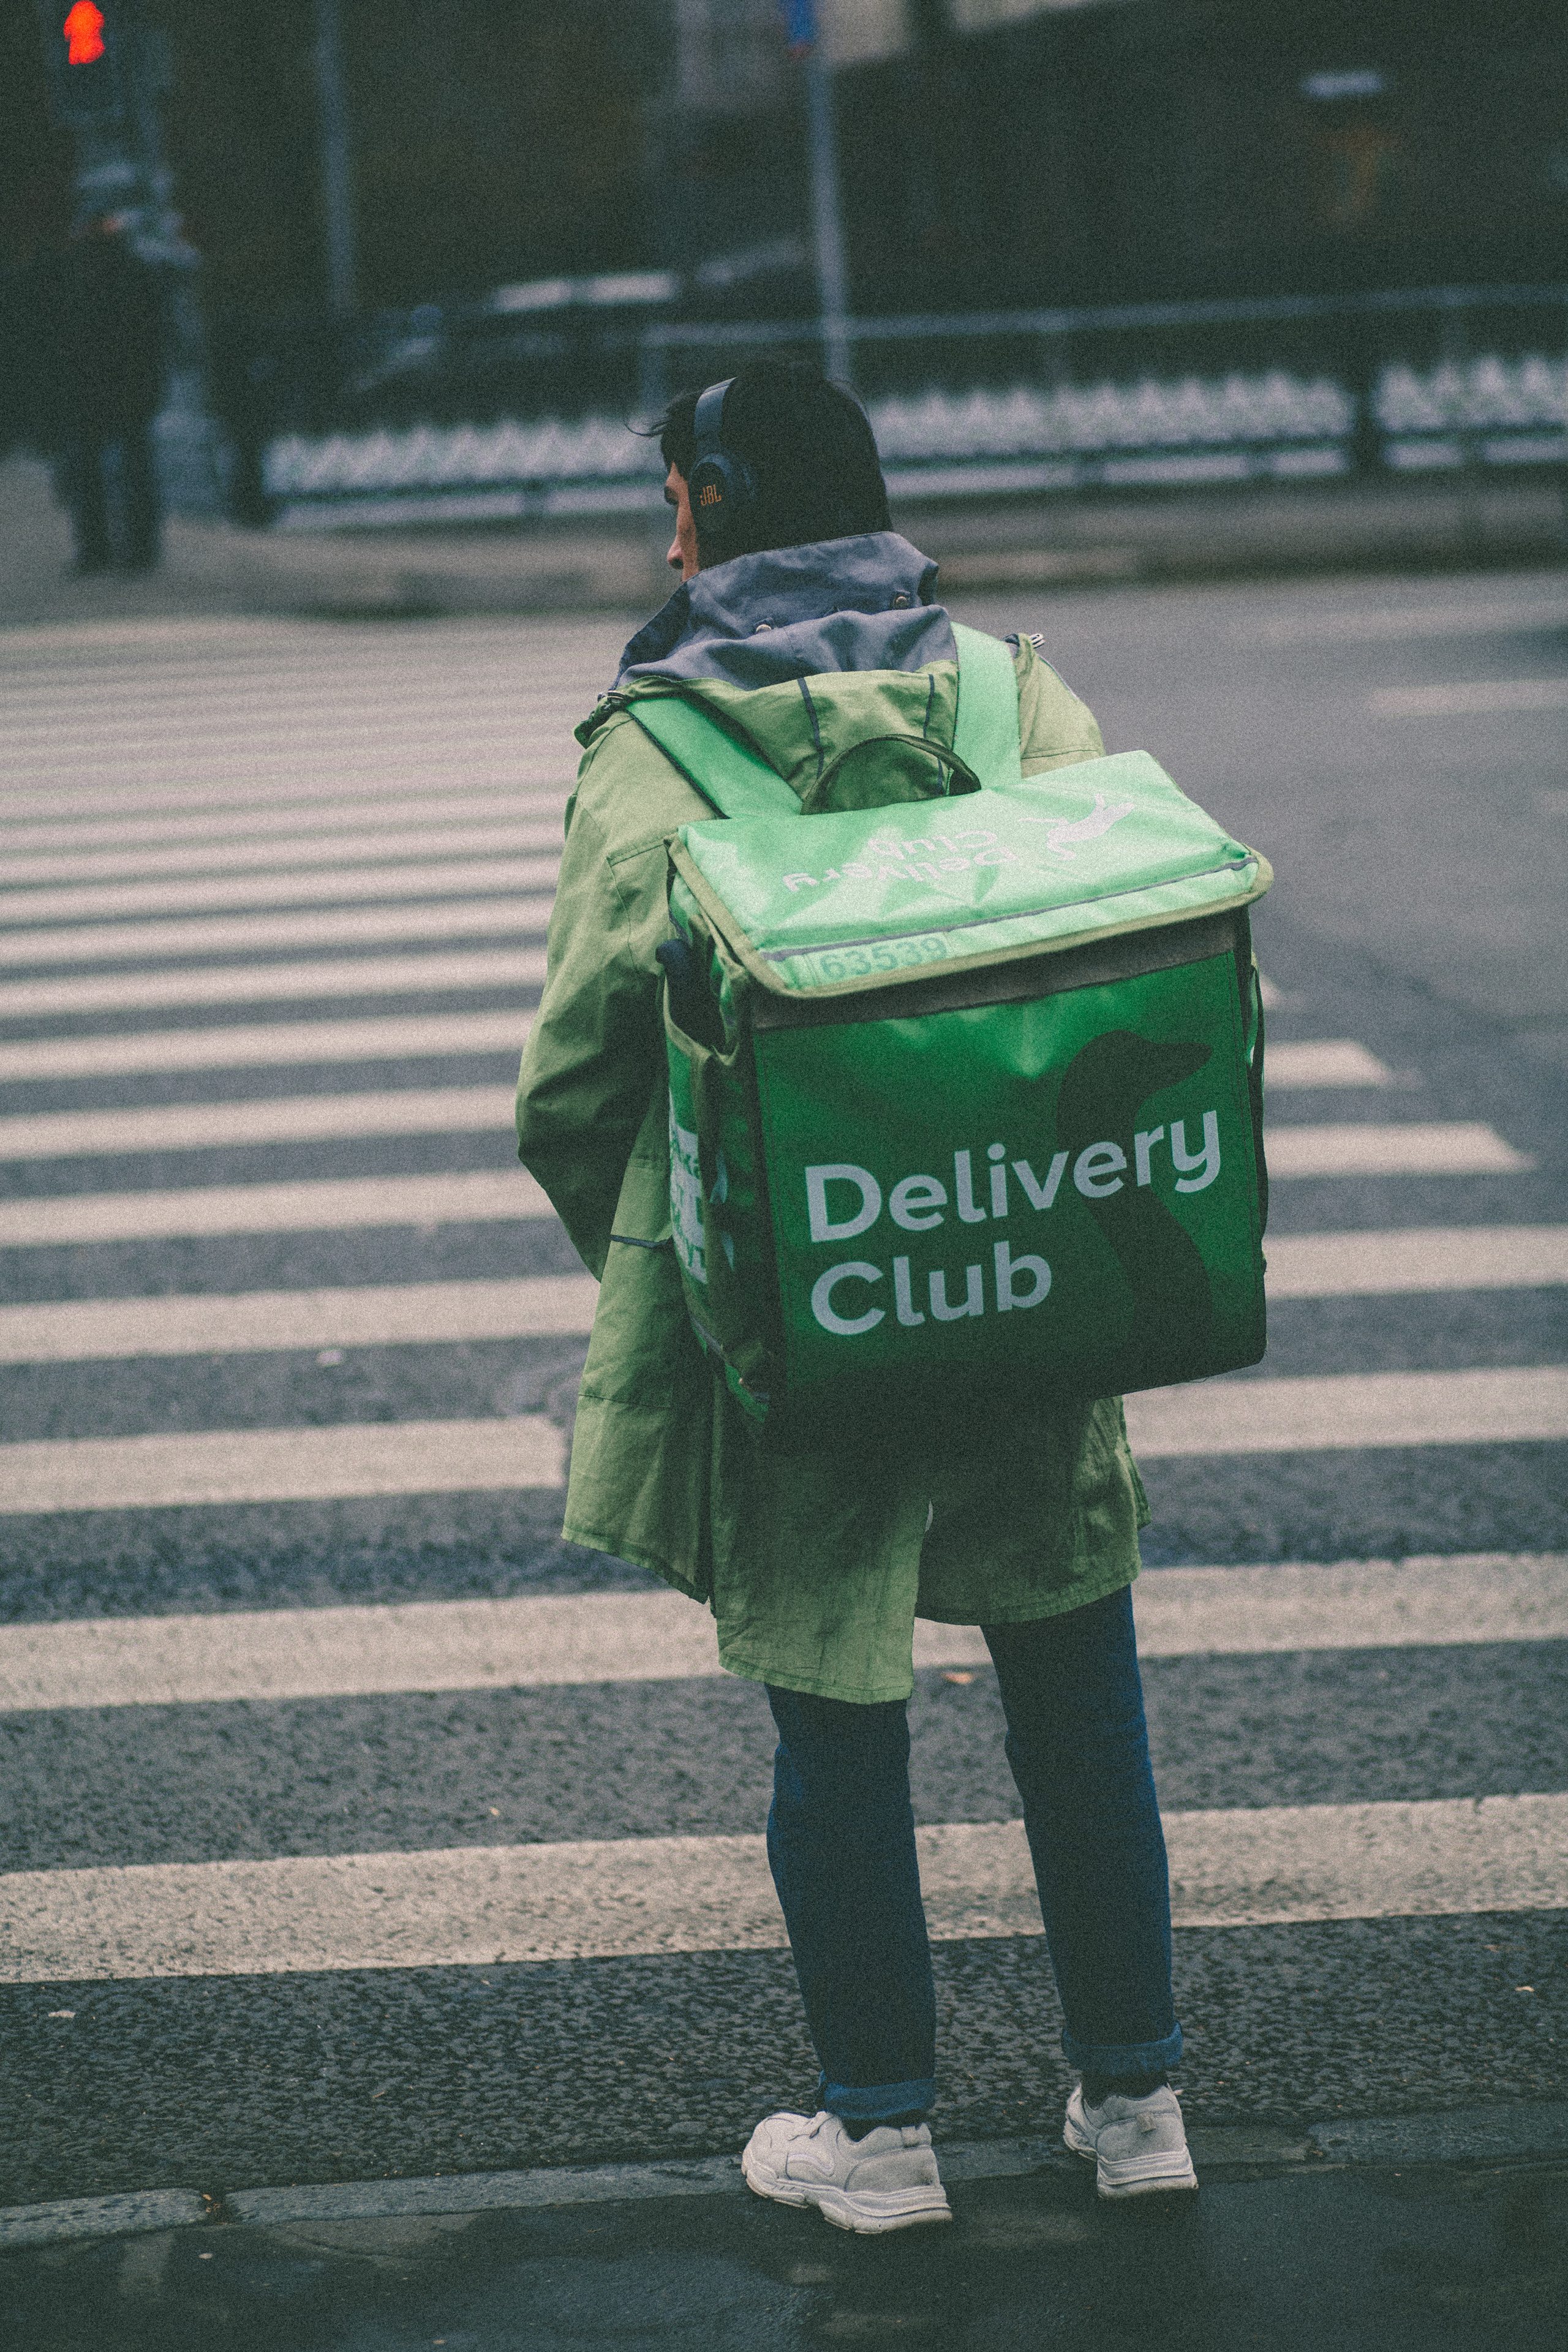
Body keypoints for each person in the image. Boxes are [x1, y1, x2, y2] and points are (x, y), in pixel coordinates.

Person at [516, 359, 1196, 2234]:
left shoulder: (658, 745)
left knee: (833, 1703)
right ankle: (1136, 2105)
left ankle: (879, 2137)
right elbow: (1138, 963)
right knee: (1074, 1671)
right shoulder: (1009, 691)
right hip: (1024, 1259)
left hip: (796, 1315)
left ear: (719, 504)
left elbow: (573, 1081)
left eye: (677, 499)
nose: (664, 535)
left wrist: (686, 1264)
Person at [29, 213, 166, 576]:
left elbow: (59, 336)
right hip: (124, 387)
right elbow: (155, 336)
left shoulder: (74, 276)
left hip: (90, 387)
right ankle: (135, 549)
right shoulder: (137, 274)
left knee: (91, 470)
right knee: (131, 469)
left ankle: (98, 549)